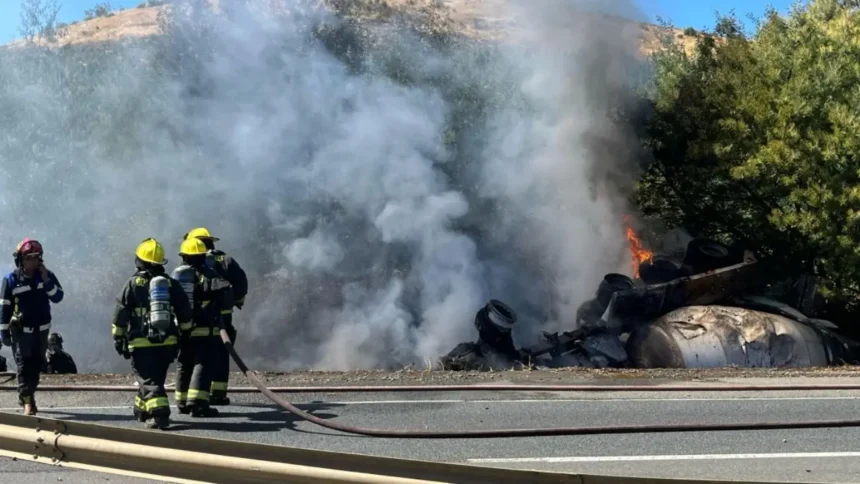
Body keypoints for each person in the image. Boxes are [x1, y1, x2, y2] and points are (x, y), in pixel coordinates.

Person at [111, 238, 192, 429]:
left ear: (140, 261)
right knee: (154, 378)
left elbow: (120, 312)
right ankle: (142, 409)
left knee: (149, 379)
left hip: (142, 342)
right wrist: (185, 334)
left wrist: (118, 337)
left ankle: (160, 414)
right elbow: (185, 310)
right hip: (167, 342)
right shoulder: (171, 283)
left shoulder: (133, 284)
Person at [182, 227, 247, 405]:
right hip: (224, 317)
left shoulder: (191, 263)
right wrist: (236, 301)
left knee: (195, 356)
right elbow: (241, 283)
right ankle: (218, 394)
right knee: (221, 353)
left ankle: (190, 395)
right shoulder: (226, 260)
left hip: (198, 317)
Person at [0, 238, 64, 415]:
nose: (32, 262)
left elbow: (58, 297)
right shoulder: (11, 280)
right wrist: (3, 331)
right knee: (23, 366)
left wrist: (46, 281)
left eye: (36, 258)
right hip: (21, 333)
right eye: (28, 258)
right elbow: (4, 306)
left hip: (42, 331)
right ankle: (27, 401)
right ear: (20, 259)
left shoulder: (46, 275)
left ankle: (29, 395)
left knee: (36, 367)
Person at [172, 237, 234, 418]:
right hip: (205, 329)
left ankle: (182, 402)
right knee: (203, 364)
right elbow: (226, 299)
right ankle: (198, 404)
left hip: (184, 329)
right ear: (202, 255)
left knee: (184, 363)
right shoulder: (210, 274)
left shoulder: (177, 276)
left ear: (184, 255)